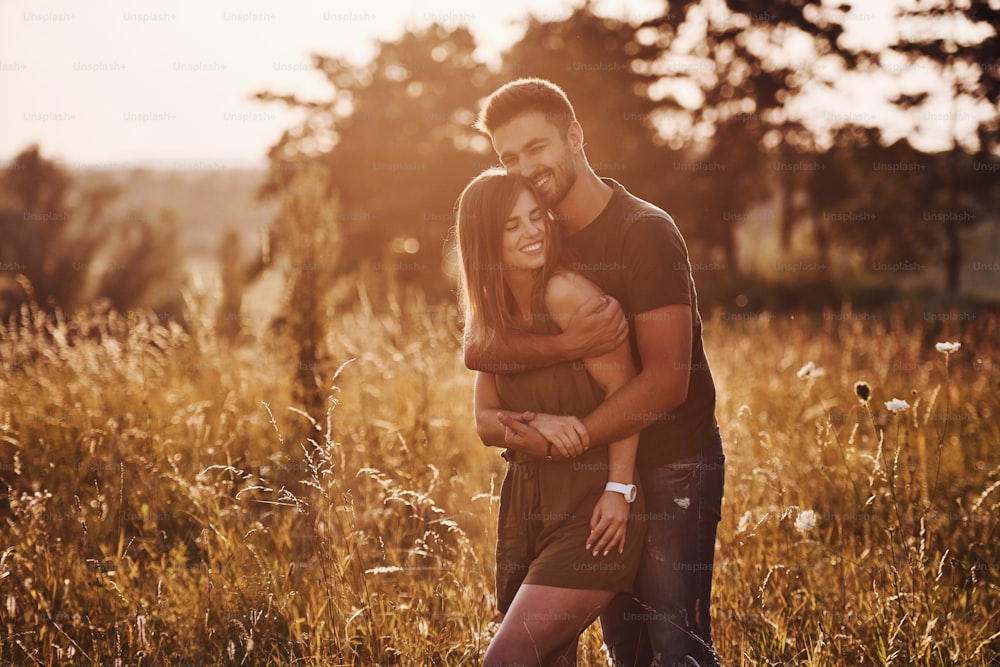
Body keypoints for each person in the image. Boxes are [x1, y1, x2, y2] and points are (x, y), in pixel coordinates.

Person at [465, 78, 725, 667]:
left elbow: (666, 381)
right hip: (596, 475)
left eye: (537, 148)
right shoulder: (545, 237)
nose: (525, 168)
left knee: (674, 646)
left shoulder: (644, 232)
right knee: (624, 651)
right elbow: (484, 347)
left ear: (575, 137)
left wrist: (569, 438)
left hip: (673, 466)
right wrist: (568, 347)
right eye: (509, 157)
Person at [455, 168, 646, 666]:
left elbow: (627, 395)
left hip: (592, 509)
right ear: (484, 240)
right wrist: (536, 422)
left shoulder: (566, 294)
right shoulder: (492, 317)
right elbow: (483, 422)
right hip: (527, 503)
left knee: (507, 660)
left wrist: (619, 490)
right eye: (512, 225)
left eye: (536, 217)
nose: (532, 231)